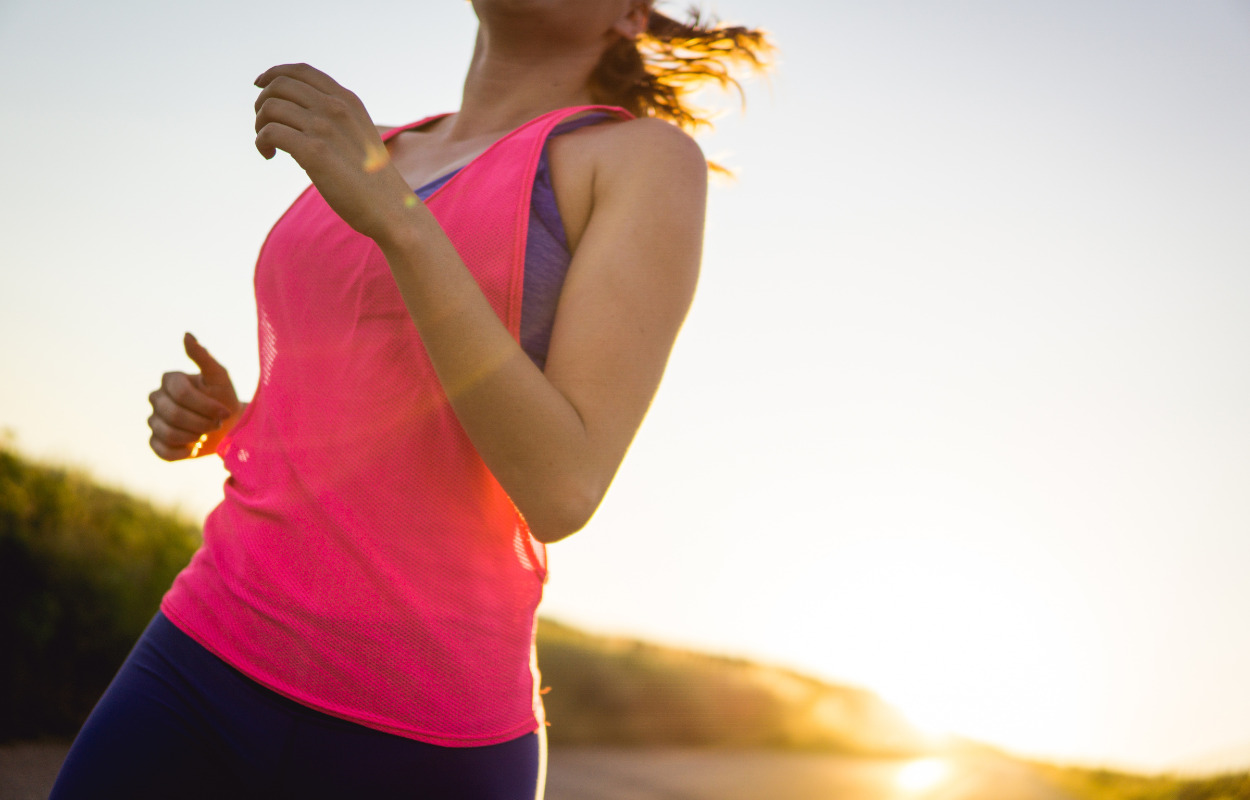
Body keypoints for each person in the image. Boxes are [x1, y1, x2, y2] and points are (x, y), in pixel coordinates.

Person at [50, 2, 770, 797]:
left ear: (631, 15)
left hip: (422, 733)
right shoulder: (379, 145)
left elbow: (564, 487)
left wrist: (395, 213)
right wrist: (238, 421)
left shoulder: (638, 159)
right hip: (202, 653)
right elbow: (378, 389)